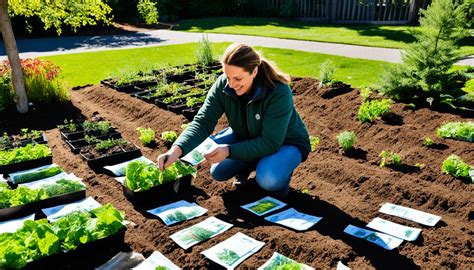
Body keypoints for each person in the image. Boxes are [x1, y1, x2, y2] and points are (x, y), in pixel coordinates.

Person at [157, 43, 311, 198]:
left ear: (254, 71)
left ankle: (280, 182)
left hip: (285, 142)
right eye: (228, 77)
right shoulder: (224, 85)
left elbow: (270, 142)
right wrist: (175, 151)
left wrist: (229, 151)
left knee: (268, 179)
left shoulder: (278, 91)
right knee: (218, 171)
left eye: (238, 78)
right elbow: (202, 122)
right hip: (247, 135)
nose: (231, 85)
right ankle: (250, 162)